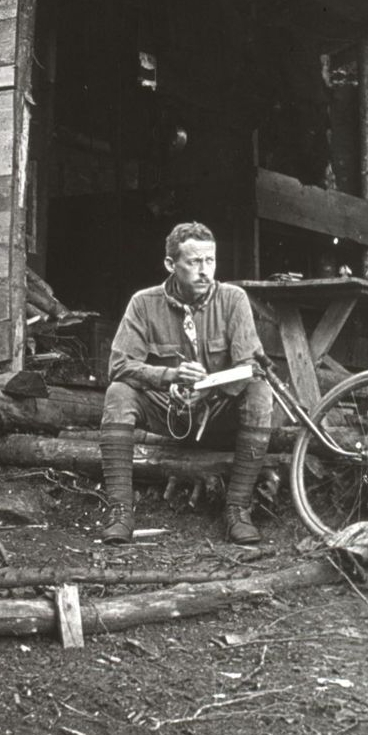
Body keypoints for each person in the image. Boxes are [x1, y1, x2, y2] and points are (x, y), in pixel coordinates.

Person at [99, 222, 272, 545]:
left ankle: (237, 510)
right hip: (168, 411)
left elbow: (250, 366)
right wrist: (169, 377)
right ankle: (120, 511)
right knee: (118, 394)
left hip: (217, 412)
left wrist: (210, 390)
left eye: (210, 261)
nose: (205, 271)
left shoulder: (233, 299)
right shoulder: (143, 303)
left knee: (260, 393)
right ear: (170, 264)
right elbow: (119, 366)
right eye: (194, 262)